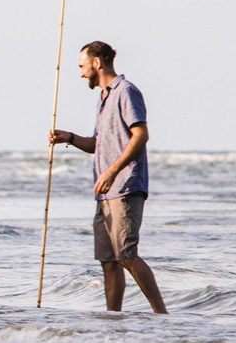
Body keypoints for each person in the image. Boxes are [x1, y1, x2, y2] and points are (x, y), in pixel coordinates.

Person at [48, 40, 168, 314]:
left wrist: (112, 171)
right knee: (108, 261)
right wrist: (68, 137)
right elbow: (98, 144)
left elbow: (141, 135)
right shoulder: (103, 98)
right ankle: (112, 319)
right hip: (104, 193)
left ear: (97, 63)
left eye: (82, 66)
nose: (80, 73)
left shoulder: (126, 91)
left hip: (125, 186)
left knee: (126, 255)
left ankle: (163, 317)